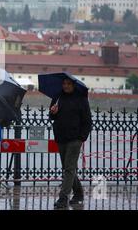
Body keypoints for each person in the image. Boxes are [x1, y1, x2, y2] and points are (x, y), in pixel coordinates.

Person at [49, 77, 93, 209]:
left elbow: (88, 121)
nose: (66, 86)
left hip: (75, 139)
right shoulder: (57, 97)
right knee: (68, 168)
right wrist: (53, 112)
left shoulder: (81, 99)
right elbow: (52, 116)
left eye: (68, 84)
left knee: (68, 168)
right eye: (64, 84)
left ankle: (63, 198)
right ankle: (78, 193)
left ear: (73, 85)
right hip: (61, 137)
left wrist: (82, 137)